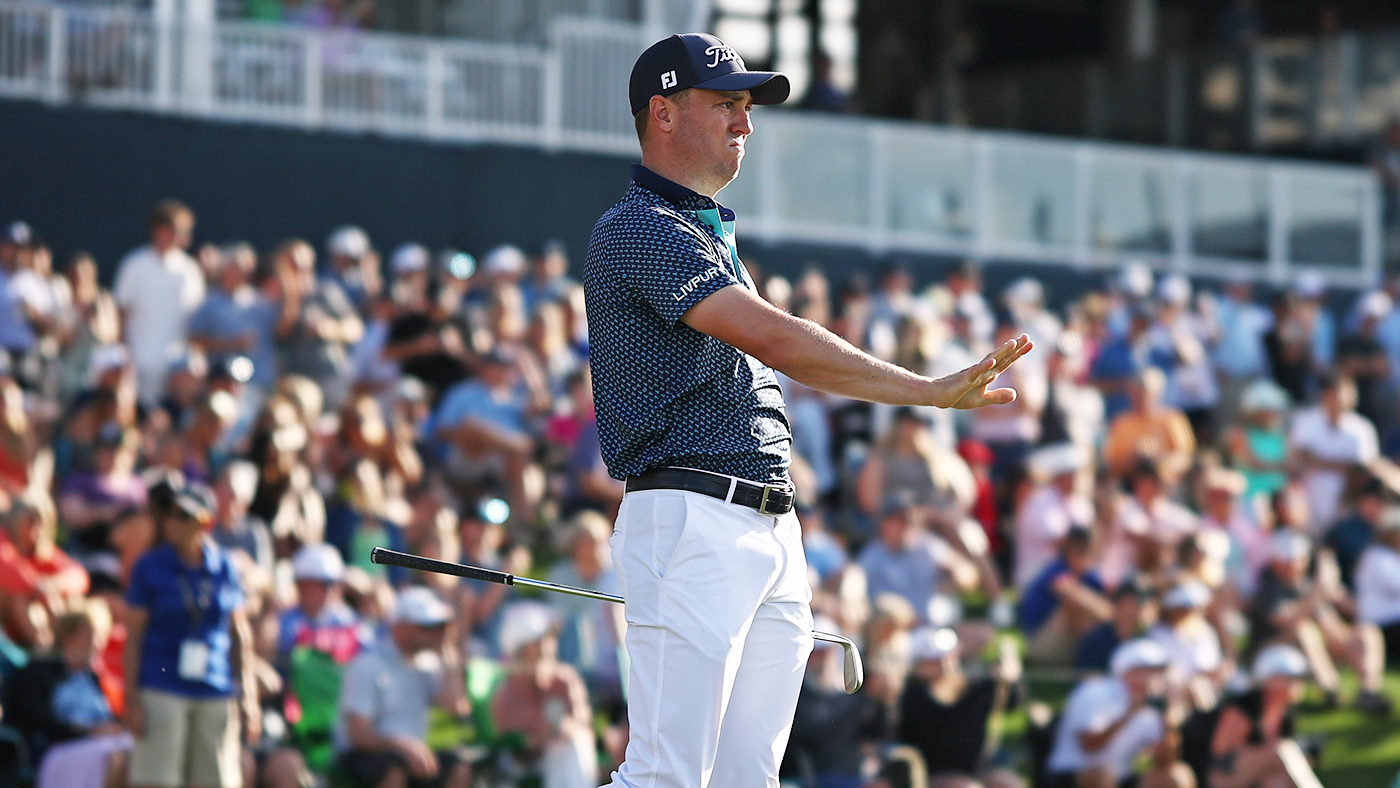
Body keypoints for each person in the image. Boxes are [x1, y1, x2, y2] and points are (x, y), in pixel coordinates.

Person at [583, 31, 1032, 788]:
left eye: (746, 107)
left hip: (763, 526)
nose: (744, 124)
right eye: (726, 104)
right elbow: (778, 340)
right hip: (691, 520)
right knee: (666, 777)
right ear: (662, 113)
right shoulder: (638, 228)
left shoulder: (701, 232)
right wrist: (924, 391)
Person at [123, 481, 258, 788]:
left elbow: (239, 634)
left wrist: (248, 697)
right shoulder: (149, 566)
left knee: (217, 781)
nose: (174, 522)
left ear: (205, 522)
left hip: (214, 686)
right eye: (170, 514)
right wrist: (131, 698)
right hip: (161, 685)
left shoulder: (224, 567)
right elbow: (134, 637)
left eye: (184, 516)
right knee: (156, 781)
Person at [333, 586, 470, 788]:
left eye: (440, 627)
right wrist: (402, 746)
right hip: (364, 755)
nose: (436, 633)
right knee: (394, 770)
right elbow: (358, 735)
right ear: (400, 628)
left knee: (459, 767)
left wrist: (446, 648)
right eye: (427, 626)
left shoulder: (429, 664)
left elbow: (457, 706)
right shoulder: (367, 665)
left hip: (411, 755)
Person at [1044, 639, 1194, 788]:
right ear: (1128, 670)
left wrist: (1170, 723)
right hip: (1072, 776)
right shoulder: (1095, 692)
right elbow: (1089, 745)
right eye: (1146, 671)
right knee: (1102, 775)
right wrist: (1130, 713)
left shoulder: (1154, 705)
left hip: (1122, 777)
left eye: (1156, 672)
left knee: (1177, 776)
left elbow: (1165, 760)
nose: (1153, 677)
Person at [896, 628, 1024, 788]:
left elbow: (1012, 702)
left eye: (949, 657)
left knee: (1008, 784)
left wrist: (1011, 678)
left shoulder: (975, 689)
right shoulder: (906, 697)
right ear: (918, 664)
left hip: (974, 772)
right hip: (926, 775)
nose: (945, 664)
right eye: (935, 659)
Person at [112, 200, 206, 406]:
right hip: (140, 364)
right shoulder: (134, 265)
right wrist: (124, 356)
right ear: (159, 230)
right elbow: (121, 314)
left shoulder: (190, 269)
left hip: (178, 370)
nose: (185, 237)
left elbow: (196, 319)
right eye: (178, 230)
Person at [1206, 645, 1322, 788]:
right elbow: (1220, 755)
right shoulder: (1244, 708)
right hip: (1223, 778)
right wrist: (1269, 756)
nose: (1299, 685)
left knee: (1277, 782)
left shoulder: (1285, 715)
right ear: (1272, 679)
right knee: (1282, 751)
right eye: (1292, 679)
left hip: (1257, 779)